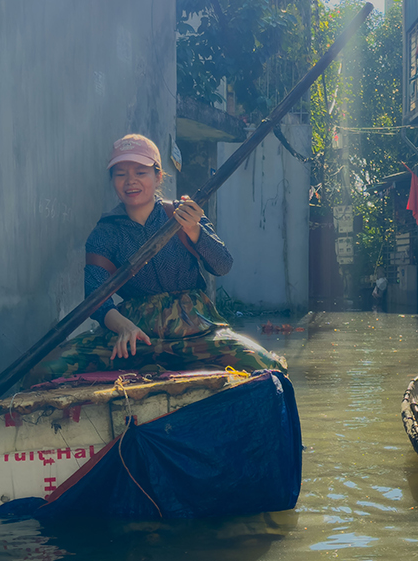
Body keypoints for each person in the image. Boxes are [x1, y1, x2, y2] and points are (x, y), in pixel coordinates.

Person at [27, 134, 284, 382]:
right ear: (112, 180)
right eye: (121, 174)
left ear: (158, 176)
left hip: (194, 329)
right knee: (44, 371)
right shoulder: (105, 232)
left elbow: (223, 265)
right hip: (136, 335)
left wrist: (195, 230)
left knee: (265, 365)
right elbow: (96, 298)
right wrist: (124, 327)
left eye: (141, 172)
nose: (131, 182)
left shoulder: (184, 213)